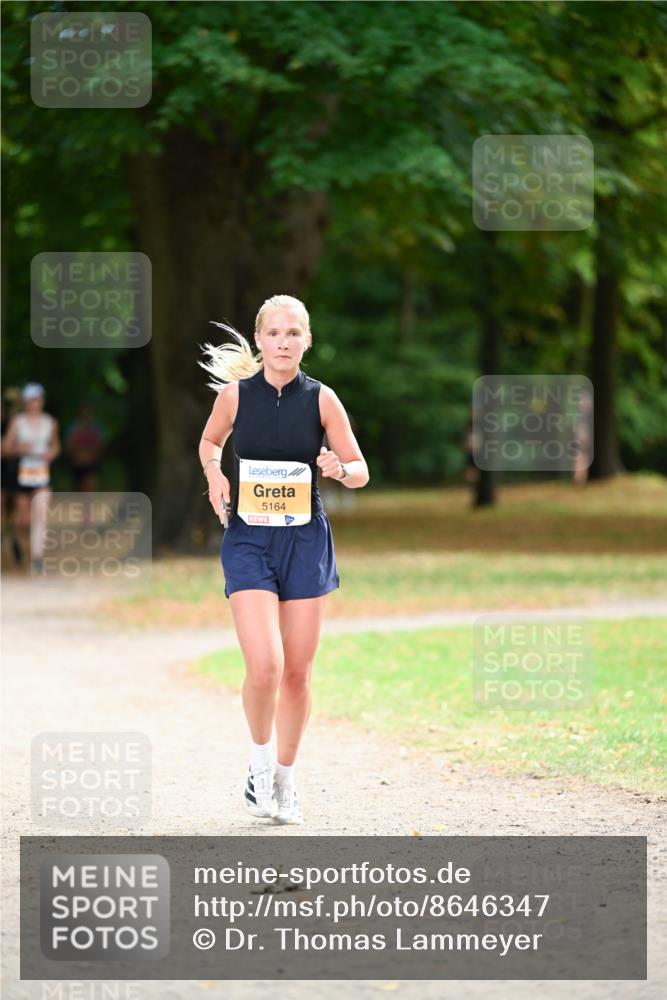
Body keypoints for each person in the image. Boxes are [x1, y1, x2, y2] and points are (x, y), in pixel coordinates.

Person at [198, 294, 369, 825]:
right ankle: (258, 762)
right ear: (259, 340)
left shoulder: (322, 399)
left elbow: (361, 468)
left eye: (293, 333)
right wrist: (215, 474)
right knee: (265, 666)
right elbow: (209, 442)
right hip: (248, 537)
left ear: (307, 340)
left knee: (296, 673)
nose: (283, 342)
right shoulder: (234, 396)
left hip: (305, 541)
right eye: (274, 333)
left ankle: (286, 779)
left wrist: (339, 469)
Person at [1, 383, 60, 573]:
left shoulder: (50, 423)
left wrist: (51, 454)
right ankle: (20, 547)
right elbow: (5, 449)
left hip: (42, 474)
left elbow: (56, 446)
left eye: (37, 399)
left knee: (40, 514)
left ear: (42, 401)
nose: (34, 404)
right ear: (25, 402)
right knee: (23, 520)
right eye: (30, 400)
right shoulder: (17, 422)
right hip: (22, 474)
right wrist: (19, 448)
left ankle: (37, 558)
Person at [64, 401, 108, 492]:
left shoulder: (97, 428)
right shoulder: (73, 428)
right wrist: (78, 455)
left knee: (90, 484)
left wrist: (91, 456)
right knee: (79, 488)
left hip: (92, 462)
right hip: (77, 462)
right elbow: (69, 445)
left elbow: (102, 445)